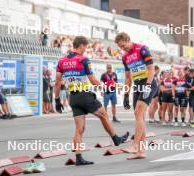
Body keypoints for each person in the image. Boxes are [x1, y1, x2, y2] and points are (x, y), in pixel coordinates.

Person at [55, 36, 129, 166]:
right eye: (85, 46)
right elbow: (93, 80)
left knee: (79, 129)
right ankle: (116, 138)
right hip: (84, 95)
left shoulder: (62, 61)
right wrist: (105, 87)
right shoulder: (83, 59)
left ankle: (78, 157)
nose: (85, 49)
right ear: (81, 45)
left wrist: (56, 100)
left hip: (73, 97)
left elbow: (57, 82)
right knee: (104, 115)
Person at [115, 32, 157, 159]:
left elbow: (151, 69)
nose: (123, 49)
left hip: (148, 83)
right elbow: (128, 77)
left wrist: (148, 85)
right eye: (120, 47)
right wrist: (126, 95)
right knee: (139, 116)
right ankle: (141, 151)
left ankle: (134, 145)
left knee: (138, 113)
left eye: (124, 46)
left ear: (128, 40)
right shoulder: (125, 57)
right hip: (137, 85)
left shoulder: (142, 49)